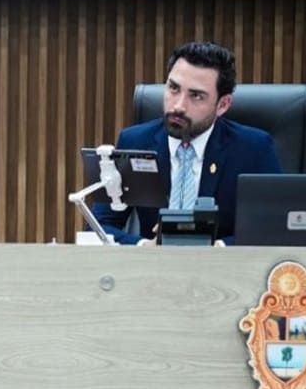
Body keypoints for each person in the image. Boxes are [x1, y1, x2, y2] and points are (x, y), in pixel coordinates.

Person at [94, 41, 281, 245]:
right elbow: (98, 226)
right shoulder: (136, 141)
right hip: (153, 263)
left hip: (223, 263)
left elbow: (273, 227)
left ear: (223, 104)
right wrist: (144, 246)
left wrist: (218, 249)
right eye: (173, 88)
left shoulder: (254, 148)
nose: (179, 106)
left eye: (196, 96)